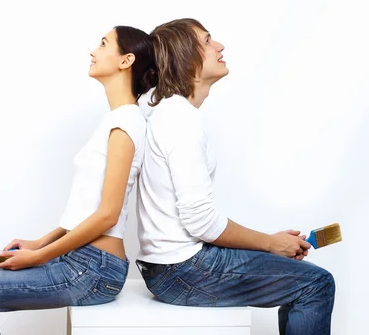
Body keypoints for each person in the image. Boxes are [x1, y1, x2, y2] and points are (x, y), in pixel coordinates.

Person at [0, 25, 158, 335]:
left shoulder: (126, 122)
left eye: (103, 44)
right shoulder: (115, 120)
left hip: (94, 270)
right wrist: (40, 242)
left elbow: (107, 215)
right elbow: (86, 209)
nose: (93, 51)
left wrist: (38, 256)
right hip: (78, 256)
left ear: (125, 60)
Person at [136, 18, 335, 335]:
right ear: (185, 58)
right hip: (183, 270)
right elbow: (200, 221)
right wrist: (270, 244)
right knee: (316, 284)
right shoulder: (179, 120)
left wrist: (270, 245)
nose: (219, 46)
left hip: (169, 267)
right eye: (207, 40)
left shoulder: (171, 114)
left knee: (304, 278)